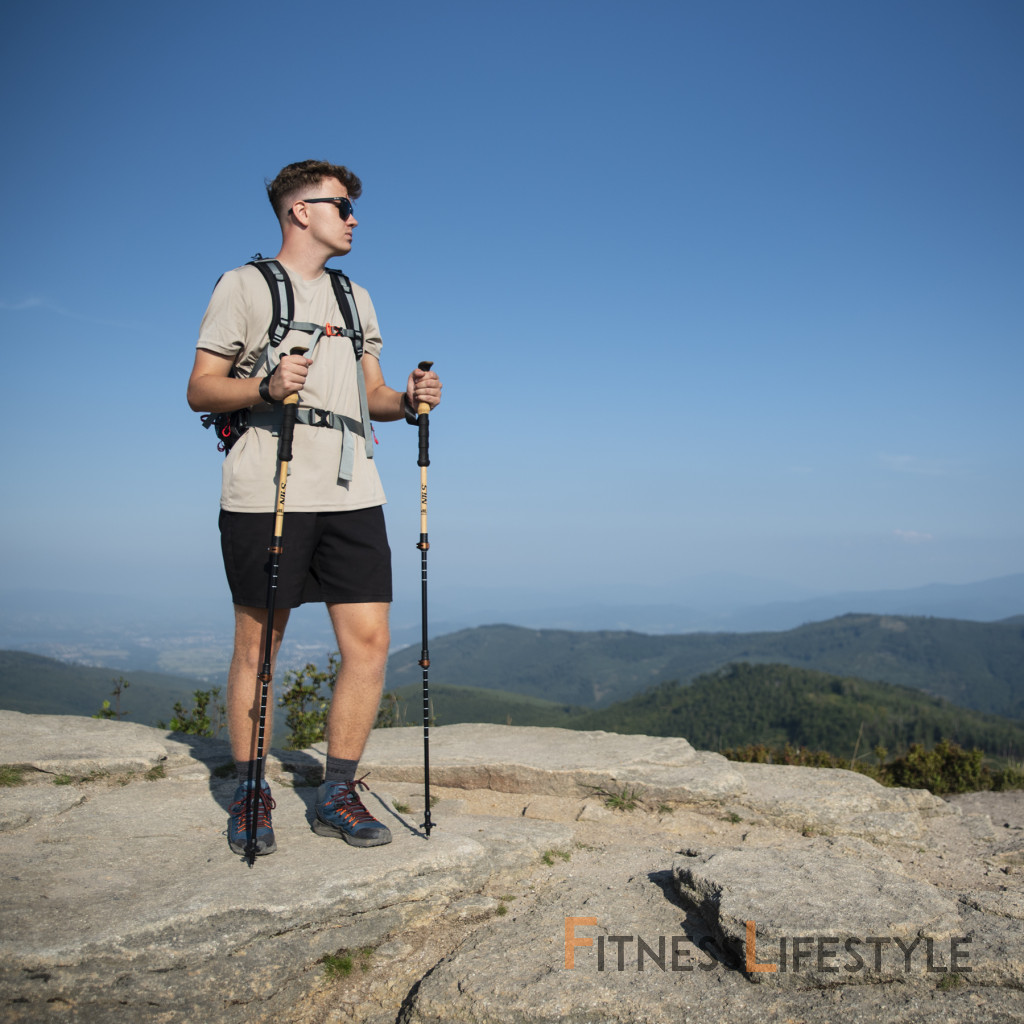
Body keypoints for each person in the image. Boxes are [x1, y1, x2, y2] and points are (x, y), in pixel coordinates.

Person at [187, 160, 442, 857]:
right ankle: (251, 793)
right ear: (300, 211)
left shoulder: (356, 298)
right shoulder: (244, 285)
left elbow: (373, 396)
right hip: (266, 488)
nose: (354, 217)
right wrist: (266, 387)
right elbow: (201, 388)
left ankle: (337, 791)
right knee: (259, 646)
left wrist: (409, 400)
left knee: (370, 643)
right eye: (342, 205)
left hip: (353, 488)